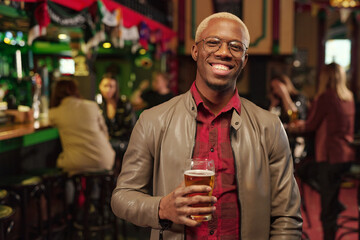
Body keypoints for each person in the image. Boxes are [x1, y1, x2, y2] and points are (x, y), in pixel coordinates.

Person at [111, 12, 302, 240]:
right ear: (195, 51)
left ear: (245, 59)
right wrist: (162, 208)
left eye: (235, 46)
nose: (223, 52)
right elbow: (122, 198)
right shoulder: (153, 121)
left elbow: (287, 217)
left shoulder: (269, 127)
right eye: (213, 43)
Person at [289, 62, 355, 240]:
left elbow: (310, 125)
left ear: (324, 77)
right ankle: (336, 203)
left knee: (326, 209)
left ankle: (330, 229)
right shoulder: (349, 97)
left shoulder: (326, 97)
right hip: (347, 156)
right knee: (328, 196)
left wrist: (292, 127)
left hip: (330, 157)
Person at [49, 79, 115, 175]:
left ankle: (72, 189)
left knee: (58, 162)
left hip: (76, 163)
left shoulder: (54, 113)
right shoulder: (92, 106)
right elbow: (105, 132)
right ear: (76, 90)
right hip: (105, 159)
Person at [97, 73, 137, 171]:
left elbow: (131, 128)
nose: (108, 90)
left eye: (111, 86)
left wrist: (110, 137)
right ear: (100, 87)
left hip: (124, 141)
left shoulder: (124, 103)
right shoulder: (99, 106)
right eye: (105, 86)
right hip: (106, 142)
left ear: (116, 88)